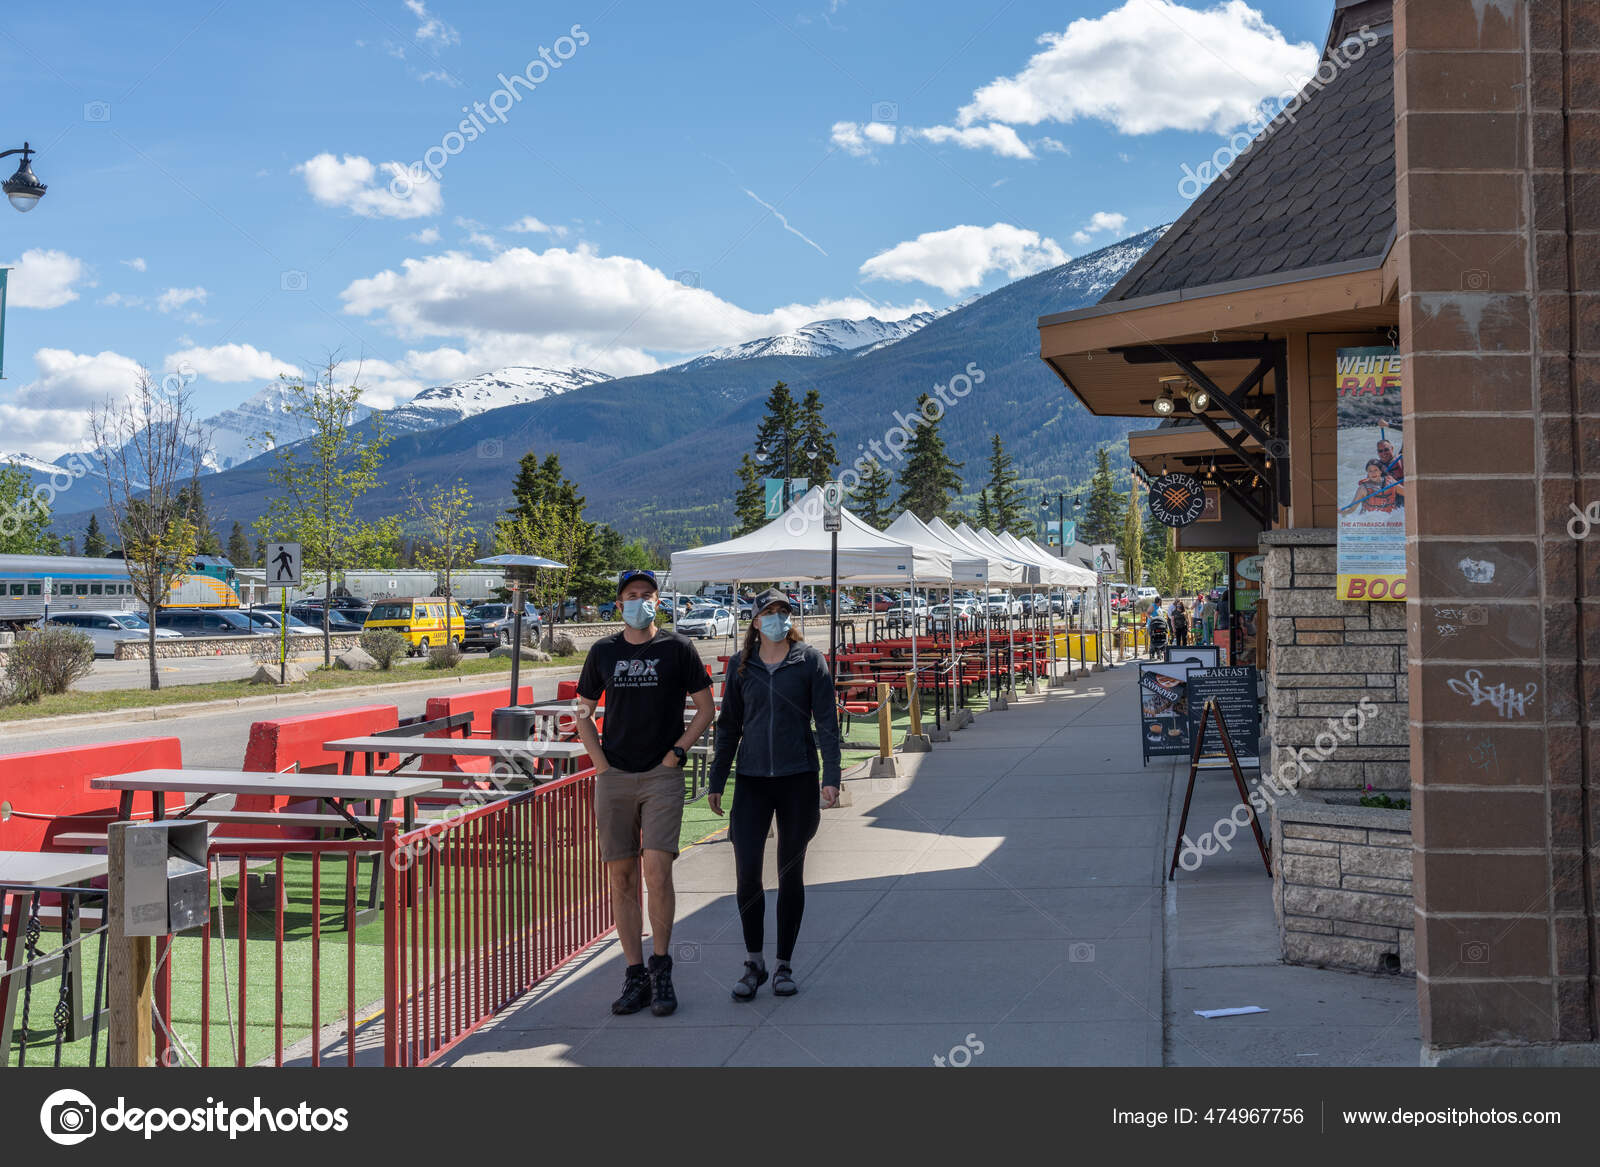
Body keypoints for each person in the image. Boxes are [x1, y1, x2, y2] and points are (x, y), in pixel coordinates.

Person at [573, 569, 715, 1017]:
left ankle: (662, 967)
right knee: (622, 877)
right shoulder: (603, 652)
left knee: (657, 870)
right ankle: (634, 974)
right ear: (620, 604)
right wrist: (600, 763)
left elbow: (706, 708)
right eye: (631, 596)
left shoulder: (678, 648)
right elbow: (581, 711)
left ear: (659, 600)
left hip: (661, 776)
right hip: (615, 776)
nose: (640, 601)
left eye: (647, 595)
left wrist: (676, 753)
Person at [707, 588, 841, 1000]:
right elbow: (728, 726)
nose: (777, 618)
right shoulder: (740, 666)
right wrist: (717, 779)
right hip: (751, 781)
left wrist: (831, 777)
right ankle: (754, 962)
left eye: (783, 612)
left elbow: (827, 723)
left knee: (790, 874)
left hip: (797, 778)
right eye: (769, 612)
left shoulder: (809, 661)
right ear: (755, 620)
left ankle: (783, 964)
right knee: (747, 872)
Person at [1339, 459, 1404, 515]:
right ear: (1367, 473)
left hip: (1389, 518)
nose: (1373, 473)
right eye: (1370, 471)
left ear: (1380, 471)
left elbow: (1406, 493)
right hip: (1368, 520)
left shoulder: (1391, 482)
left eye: (1375, 470)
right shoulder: (1363, 488)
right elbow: (1351, 509)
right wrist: (1341, 512)